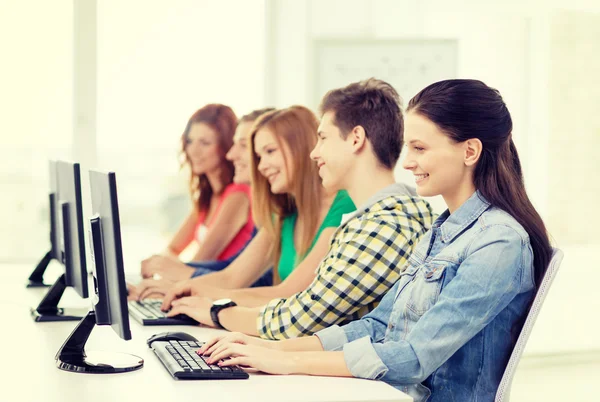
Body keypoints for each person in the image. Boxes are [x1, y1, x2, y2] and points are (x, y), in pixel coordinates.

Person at [197, 79, 553, 402]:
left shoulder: (499, 243)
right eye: (408, 148)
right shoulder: (440, 232)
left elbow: (413, 357)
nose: (408, 162)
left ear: (470, 151)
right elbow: (378, 325)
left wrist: (285, 360)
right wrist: (270, 349)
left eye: (419, 148)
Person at [162, 79, 434, 340]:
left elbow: (301, 315)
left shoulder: (384, 225)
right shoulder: (363, 220)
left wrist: (216, 311)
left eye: (323, 139)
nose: (314, 153)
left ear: (356, 139)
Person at [137, 106, 357, 308]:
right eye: (259, 157)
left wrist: (190, 292)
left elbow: (290, 293)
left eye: (270, 152)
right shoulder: (283, 213)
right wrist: (178, 289)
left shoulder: (343, 206)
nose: (261, 166)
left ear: (299, 148)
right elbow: (232, 277)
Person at [128, 108, 275, 300]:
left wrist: (166, 285)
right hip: (217, 294)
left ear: (222, 147)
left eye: (205, 143)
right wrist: (158, 280)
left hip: (220, 296)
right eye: (190, 141)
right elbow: (173, 251)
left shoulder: (239, 195)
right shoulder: (207, 198)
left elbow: (217, 269)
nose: (193, 150)